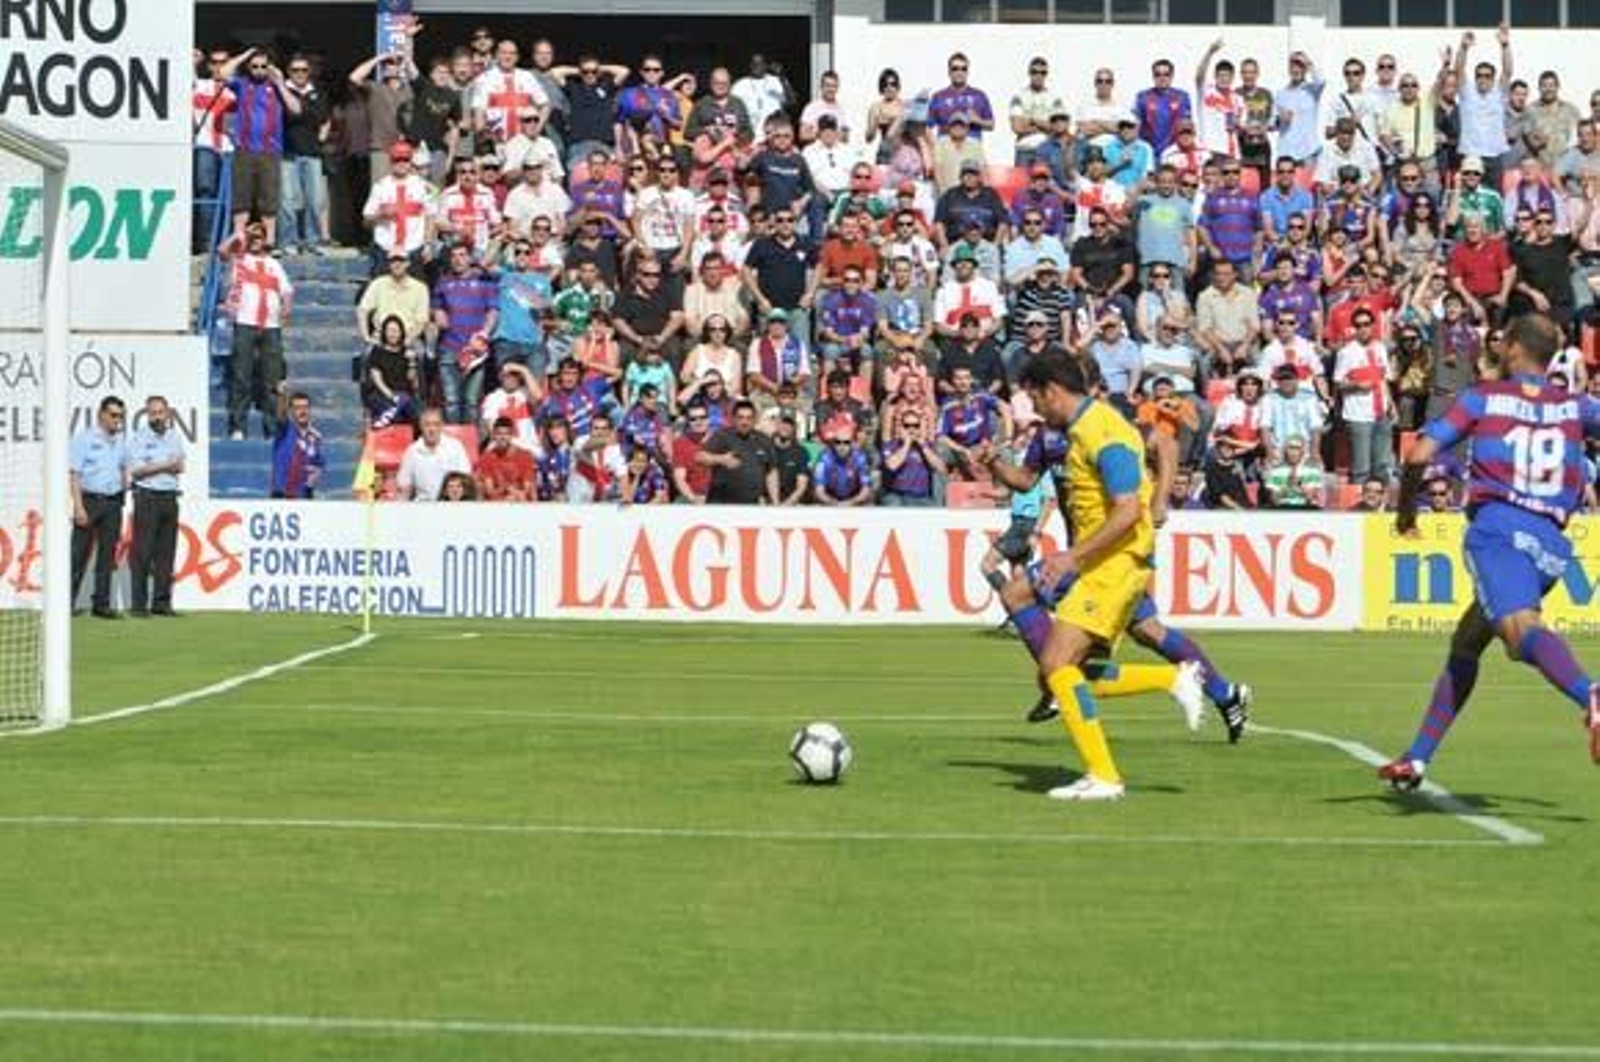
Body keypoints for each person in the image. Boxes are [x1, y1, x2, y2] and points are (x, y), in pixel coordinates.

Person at [1379, 313, 1600, 790]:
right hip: (1551, 546)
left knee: (1521, 634)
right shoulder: (1576, 405)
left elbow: (1418, 454)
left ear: (1515, 347)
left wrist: (1405, 514)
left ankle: (1591, 694)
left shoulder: (1483, 396)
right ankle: (1416, 759)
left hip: (1498, 529)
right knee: (1467, 642)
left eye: (1502, 340)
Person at [980, 355, 1215, 802]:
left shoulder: (1101, 431)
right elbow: (1030, 480)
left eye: (1034, 397)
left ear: (1052, 390)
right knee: (1066, 663)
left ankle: (1105, 775)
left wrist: (1072, 556)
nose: (1034, 408)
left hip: (1114, 564)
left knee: (1056, 668)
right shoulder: (1081, 429)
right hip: (1101, 562)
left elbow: (1128, 509)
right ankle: (1172, 681)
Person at [223, 223, 293, 441]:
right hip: (245, 322)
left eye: (260, 236)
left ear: (265, 239)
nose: (256, 240)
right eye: (252, 237)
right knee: (241, 376)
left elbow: (287, 290)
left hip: (271, 325)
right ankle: (238, 426)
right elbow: (222, 252)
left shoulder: (274, 264)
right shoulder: (240, 259)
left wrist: (286, 309)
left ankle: (272, 428)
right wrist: (239, 234)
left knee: (272, 380)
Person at [69, 397, 129, 619]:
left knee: (107, 556)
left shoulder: (121, 441)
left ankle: (101, 605)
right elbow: (74, 475)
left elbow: (123, 467)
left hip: (113, 503)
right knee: (78, 555)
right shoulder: (84, 439)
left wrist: (124, 486)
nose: (117, 420)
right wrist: (78, 506)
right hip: (89, 501)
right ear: (101, 414)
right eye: (114, 415)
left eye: (121, 416)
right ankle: (65, 603)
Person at [125, 396, 185, 619]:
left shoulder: (174, 436)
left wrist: (158, 466)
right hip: (147, 497)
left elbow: (180, 466)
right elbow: (137, 471)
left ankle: (161, 602)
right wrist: (164, 465)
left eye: (161, 412)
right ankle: (139, 605)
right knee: (142, 552)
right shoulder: (139, 438)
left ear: (168, 413)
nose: (157, 416)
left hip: (170, 497)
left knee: (166, 553)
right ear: (147, 414)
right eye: (153, 413)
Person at [699, 399, 778, 504]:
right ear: (733, 418)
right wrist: (721, 459)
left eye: (749, 418)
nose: (744, 422)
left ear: (755, 420)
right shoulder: (722, 436)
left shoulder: (764, 440)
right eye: (740, 417)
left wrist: (775, 502)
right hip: (722, 503)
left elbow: (771, 472)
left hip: (751, 505)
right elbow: (700, 457)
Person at [398, 408, 473, 501]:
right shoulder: (412, 451)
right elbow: (405, 486)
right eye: (427, 425)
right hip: (423, 506)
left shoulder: (455, 447)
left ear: (442, 426)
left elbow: (466, 480)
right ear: (420, 426)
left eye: (436, 424)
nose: (432, 429)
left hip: (451, 506)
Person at [272, 389, 325, 499]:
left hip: (305, 496)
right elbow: (281, 415)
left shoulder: (315, 437)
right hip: (282, 495)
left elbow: (319, 465)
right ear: (291, 411)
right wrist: (282, 396)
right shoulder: (285, 429)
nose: (302, 411)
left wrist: (316, 474)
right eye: (298, 408)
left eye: (305, 407)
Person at [811, 418, 874, 506]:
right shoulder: (824, 457)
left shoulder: (860, 457)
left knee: (869, 500)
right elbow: (819, 490)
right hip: (830, 497)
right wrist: (833, 503)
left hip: (854, 497)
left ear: (852, 443)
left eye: (846, 442)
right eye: (838, 442)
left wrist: (851, 502)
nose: (842, 446)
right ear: (833, 443)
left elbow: (866, 488)